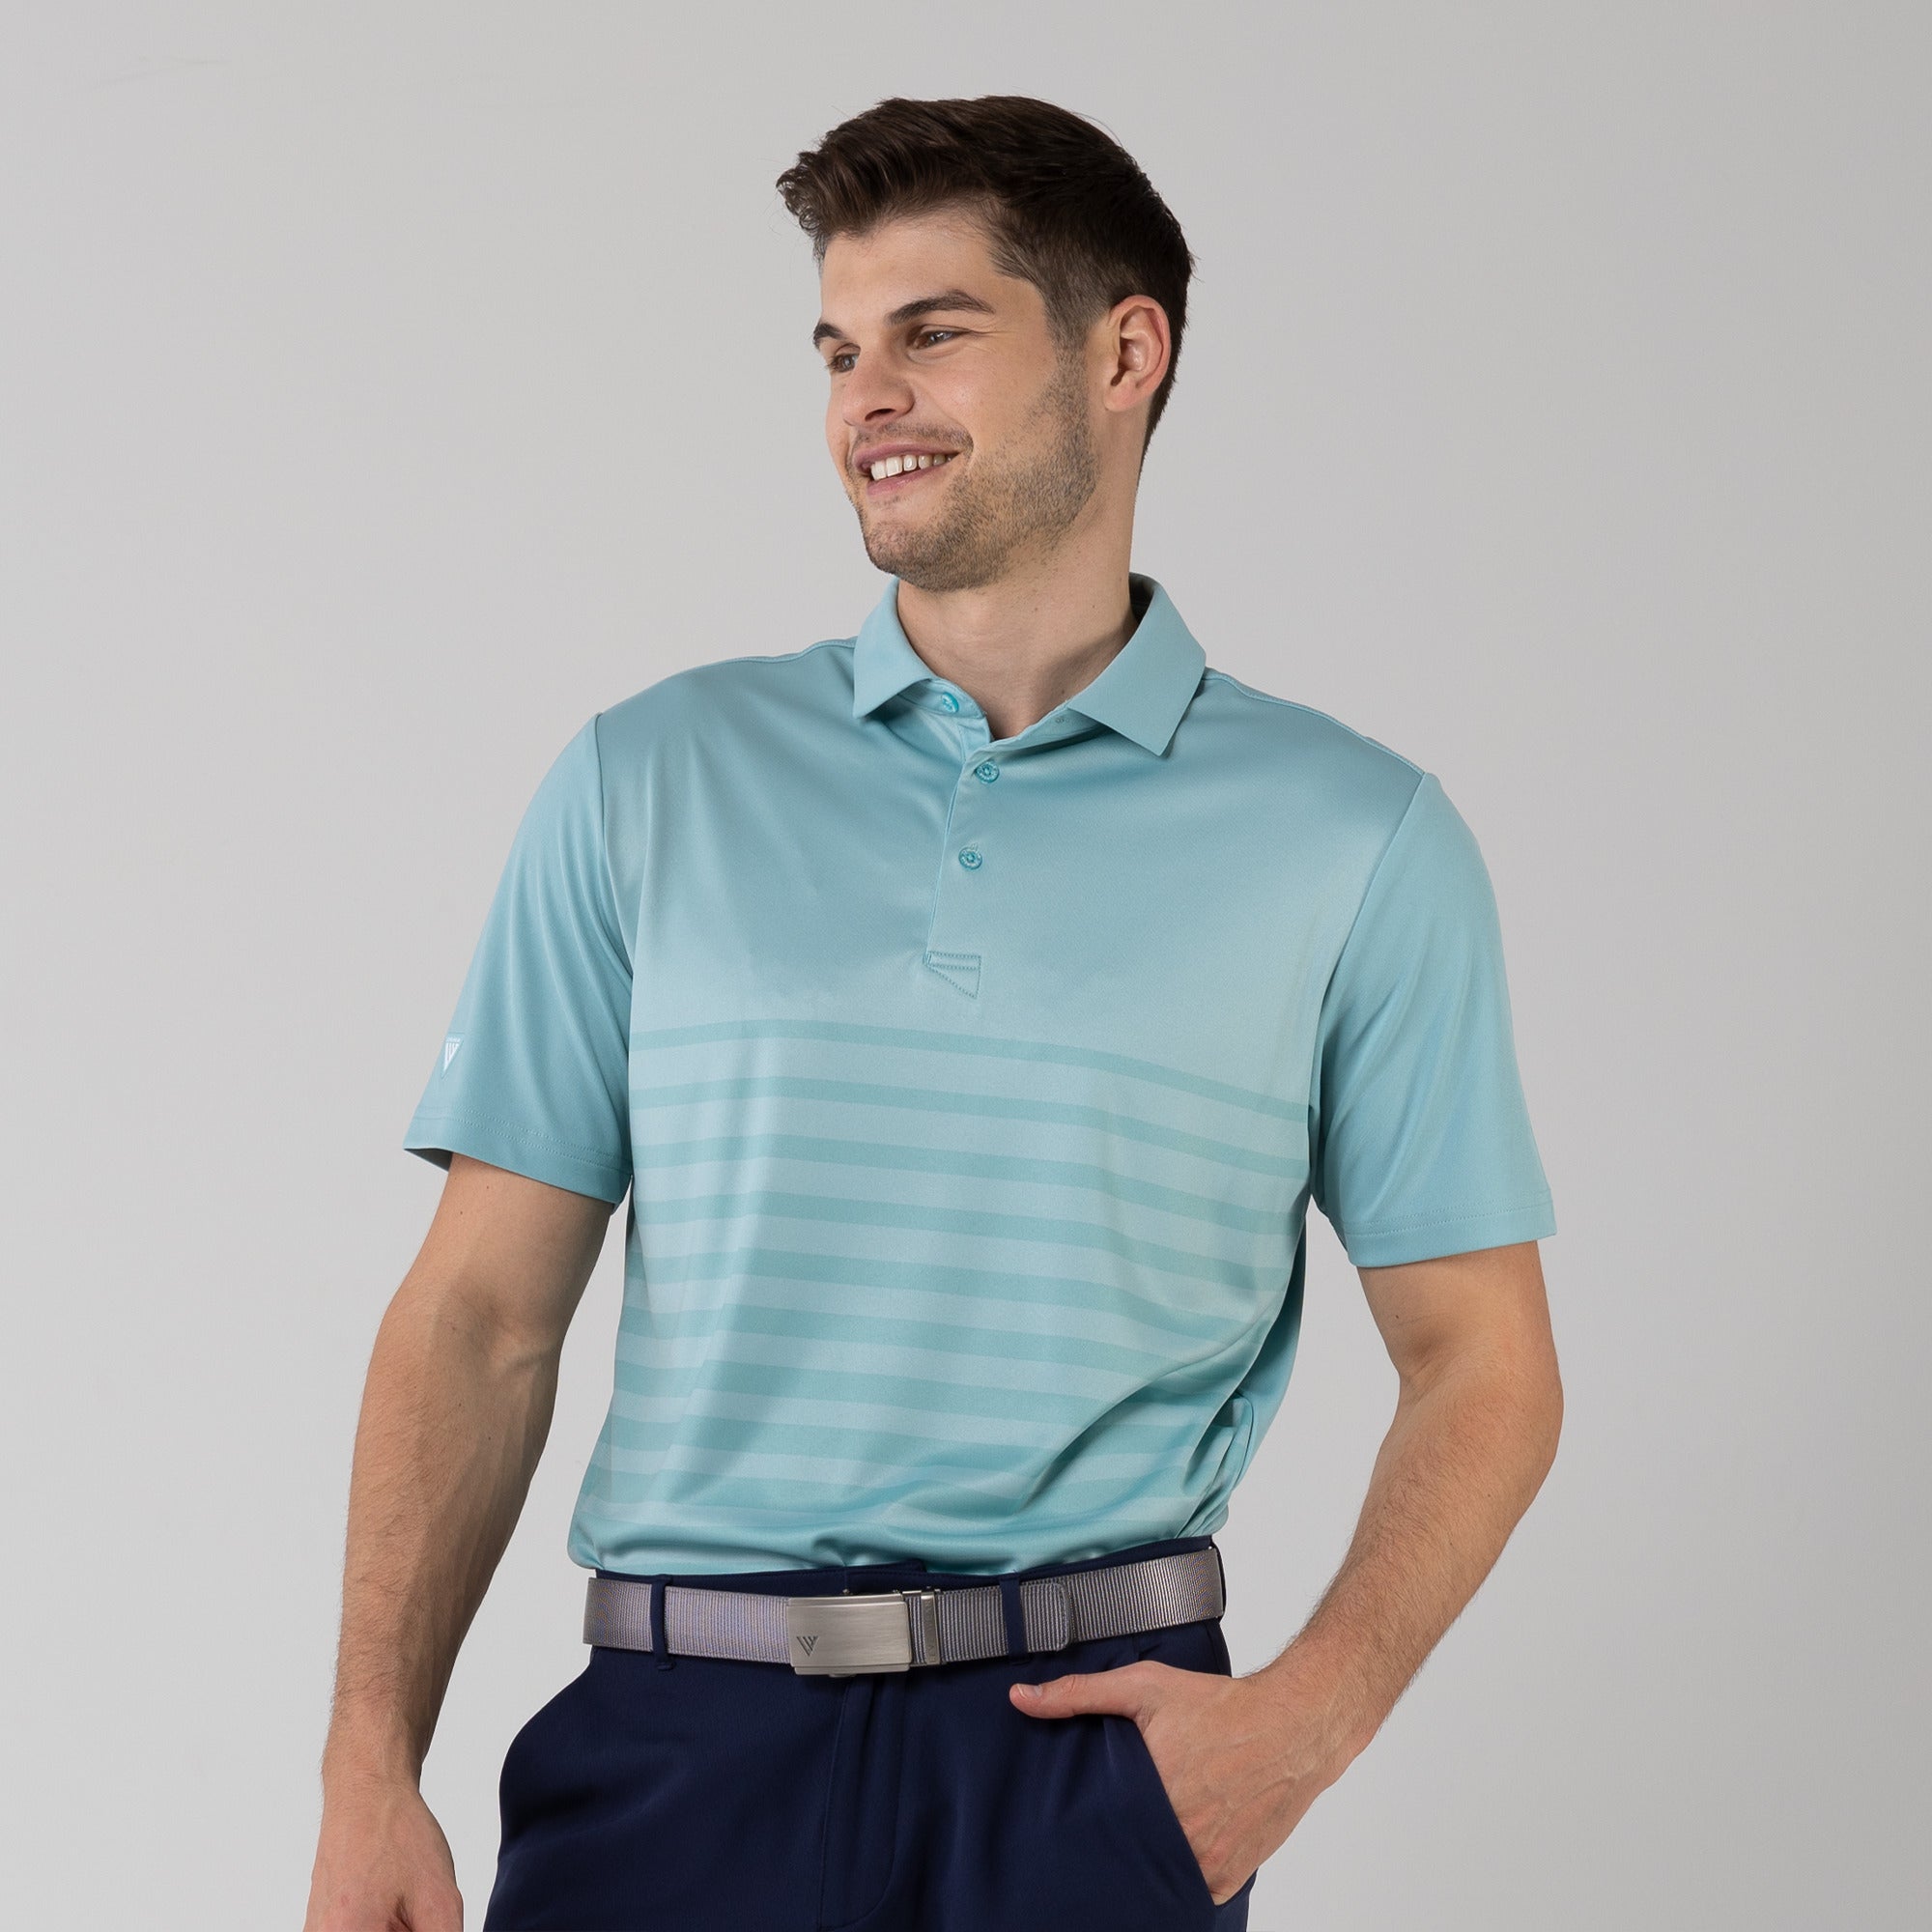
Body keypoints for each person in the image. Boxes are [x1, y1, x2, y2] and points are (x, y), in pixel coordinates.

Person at [302, 93, 1562, 1932]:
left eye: (933, 333)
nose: (865, 398)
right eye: (837, 351)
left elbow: (1485, 1362)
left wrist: (1306, 1725)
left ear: (1124, 354)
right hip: (676, 1757)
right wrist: (367, 1764)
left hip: (1088, 1768)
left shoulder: (1356, 841)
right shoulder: (649, 779)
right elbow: (481, 1316)